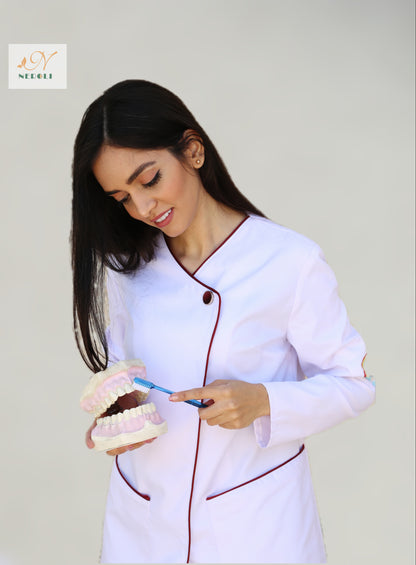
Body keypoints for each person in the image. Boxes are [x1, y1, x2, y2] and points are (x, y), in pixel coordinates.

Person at [71, 79, 376, 564]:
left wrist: (262, 401)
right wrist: (119, 412)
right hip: (144, 523)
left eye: (149, 180)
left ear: (192, 152)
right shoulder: (126, 268)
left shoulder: (287, 261)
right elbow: (123, 368)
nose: (143, 208)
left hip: (253, 527)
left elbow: (354, 385)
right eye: (122, 197)